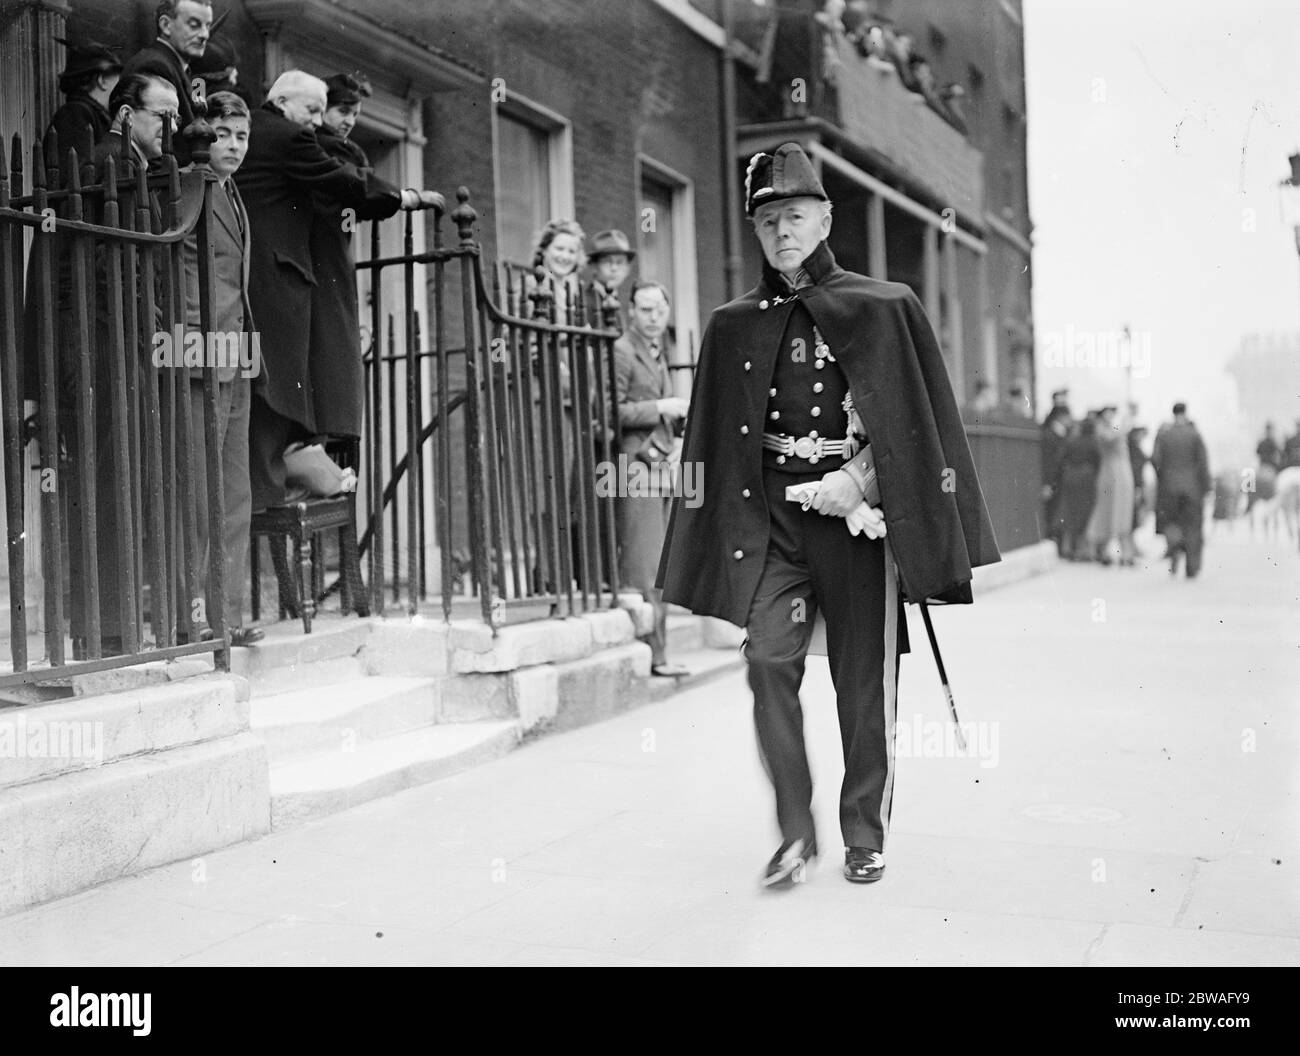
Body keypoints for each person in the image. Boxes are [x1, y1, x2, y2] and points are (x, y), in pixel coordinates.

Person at [656, 143, 999, 888]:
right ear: (756, 229)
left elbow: (919, 429)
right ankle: (792, 834)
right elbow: (712, 442)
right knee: (767, 665)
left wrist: (860, 478)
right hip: (774, 527)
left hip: (855, 530)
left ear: (826, 218)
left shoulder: (885, 307)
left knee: (863, 683)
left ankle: (863, 833)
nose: (783, 230)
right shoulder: (731, 326)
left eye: (796, 215)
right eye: (769, 218)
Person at [234, 70, 369, 511]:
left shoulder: (266, 131)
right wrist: (401, 197)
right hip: (283, 283)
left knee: (276, 399)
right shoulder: (294, 138)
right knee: (279, 399)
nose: (319, 122)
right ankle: (277, 491)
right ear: (284, 101)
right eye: (316, 111)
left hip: (270, 279)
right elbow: (349, 185)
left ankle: (283, 484)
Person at [178, 90, 263, 647]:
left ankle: (226, 617)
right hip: (197, 357)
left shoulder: (232, 192)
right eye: (224, 134)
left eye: (242, 136)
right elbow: (171, 265)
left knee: (234, 494)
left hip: (236, 357)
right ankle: (191, 616)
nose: (232, 145)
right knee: (196, 493)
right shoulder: (189, 185)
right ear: (204, 136)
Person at [308, 73, 404, 441]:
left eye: (355, 113)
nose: (349, 120)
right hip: (324, 253)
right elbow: (366, 189)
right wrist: (405, 196)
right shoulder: (331, 148)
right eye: (343, 110)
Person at [612, 281, 690, 678]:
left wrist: (674, 439)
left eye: (659, 309)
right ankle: (652, 655)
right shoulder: (622, 351)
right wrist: (661, 406)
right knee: (645, 567)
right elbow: (614, 411)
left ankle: (658, 653)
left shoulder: (659, 351)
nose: (654, 317)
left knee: (660, 565)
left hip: (656, 464)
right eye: (645, 310)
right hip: (633, 467)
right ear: (631, 312)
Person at [122, 0, 214, 167]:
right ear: (165, 25)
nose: (204, 35)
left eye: (207, 26)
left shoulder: (174, 67)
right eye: (194, 25)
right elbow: (151, 144)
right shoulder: (155, 65)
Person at [1152, 402, 1211, 578]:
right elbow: (1203, 463)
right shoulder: (1194, 434)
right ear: (1185, 413)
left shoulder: (1164, 435)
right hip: (1192, 489)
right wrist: (1206, 488)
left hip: (1169, 489)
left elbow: (1155, 460)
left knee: (1173, 524)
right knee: (1192, 527)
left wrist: (1163, 479)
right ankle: (1192, 567)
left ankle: (1174, 553)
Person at [47, 39, 122, 162]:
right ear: (102, 80)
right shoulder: (76, 114)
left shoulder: (91, 114)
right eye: (117, 81)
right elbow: (77, 175)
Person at [1085, 405, 1136, 565]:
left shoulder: (1112, 428)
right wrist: (1125, 424)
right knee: (1108, 510)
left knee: (1120, 511)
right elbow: (1109, 437)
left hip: (1120, 474)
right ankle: (1104, 549)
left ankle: (1122, 551)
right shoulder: (1102, 429)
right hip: (1111, 474)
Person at [1057, 416, 1100, 561]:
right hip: (1086, 479)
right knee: (1085, 515)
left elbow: (1062, 458)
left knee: (1070, 513)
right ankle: (1082, 551)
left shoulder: (1071, 441)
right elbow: (1098, 461)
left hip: (1071, 478)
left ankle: (1069, 548)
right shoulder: (1093, 443)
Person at [1039, 387, 1072, 551]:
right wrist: (1046, 483)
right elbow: (1048, 461)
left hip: (1059, 480)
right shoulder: (1050, 435)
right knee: (1052, 513)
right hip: (1053, 481)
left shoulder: (1060, 434)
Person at [585, 229, 635, 330]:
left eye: (620, 262)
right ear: (594, 266)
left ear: (628, 269)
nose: (614, 268)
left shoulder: (625, 303)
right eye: (607, 262)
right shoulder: (585, 302)